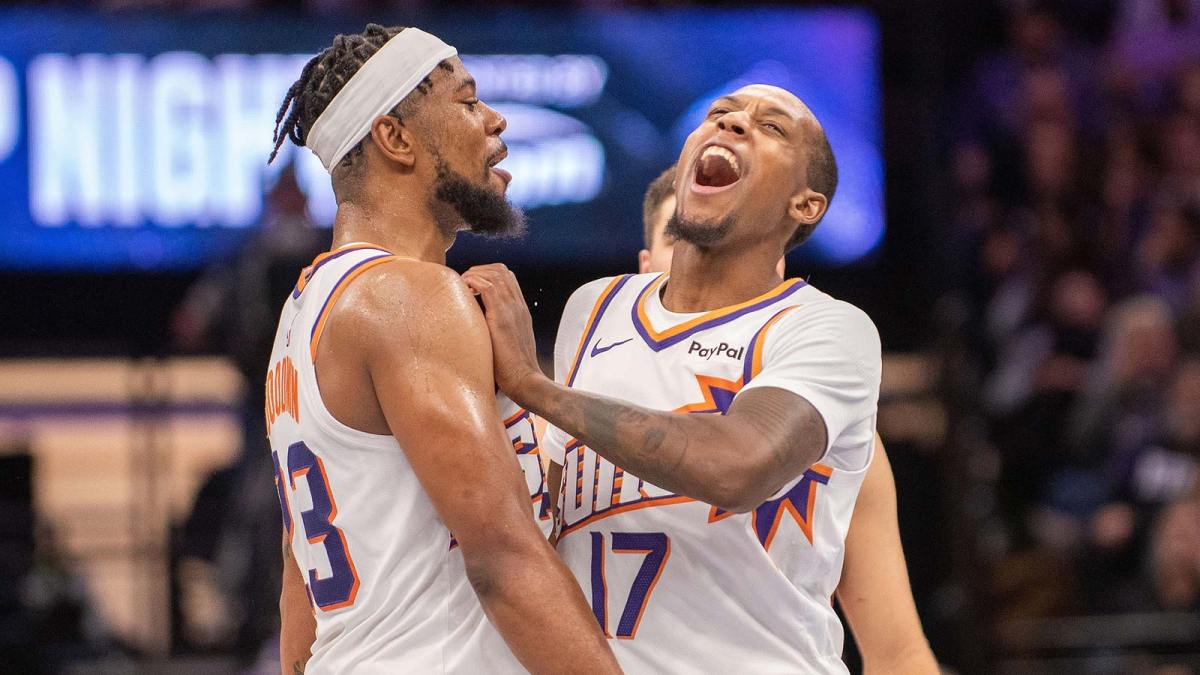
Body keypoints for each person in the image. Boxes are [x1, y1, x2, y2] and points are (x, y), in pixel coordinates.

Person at [465, 84, 931, 673]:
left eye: (771, 127)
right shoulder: (595, 308)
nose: (732, 124)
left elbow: (738, 467)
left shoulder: (828, 330)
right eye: (720, 114)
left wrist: (535, 388)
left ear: (806, 205)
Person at [264, 24, 618, 674]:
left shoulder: (303, 315)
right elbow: (502, 557)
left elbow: (300, 585)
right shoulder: (409, 296)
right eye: (468, 101)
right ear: (395, 138)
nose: (495, 120)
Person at [630, 166, 936, 672]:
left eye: (731, 240)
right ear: (643, 271)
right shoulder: (569, 414)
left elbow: (897, 652)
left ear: (774, 260)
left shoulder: (832, 431)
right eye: (683, 239)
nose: (707, 257)